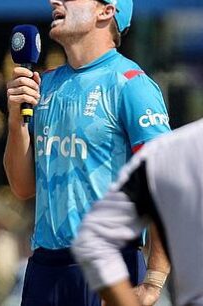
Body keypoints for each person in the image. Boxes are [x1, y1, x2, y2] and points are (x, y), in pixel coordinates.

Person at [3, 0, 171, 305]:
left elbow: (165, 183)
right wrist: (15, 121)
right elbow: (22, 188)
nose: (54, 1)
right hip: (45, 268)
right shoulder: (44, 84)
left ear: (106, 12)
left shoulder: (130, 83)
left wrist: (154, 282)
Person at [73, 118, 203, 305]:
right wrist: (153, 282)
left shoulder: (169, 152)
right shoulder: (167, 153)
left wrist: (153, 282)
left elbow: (93, 237)